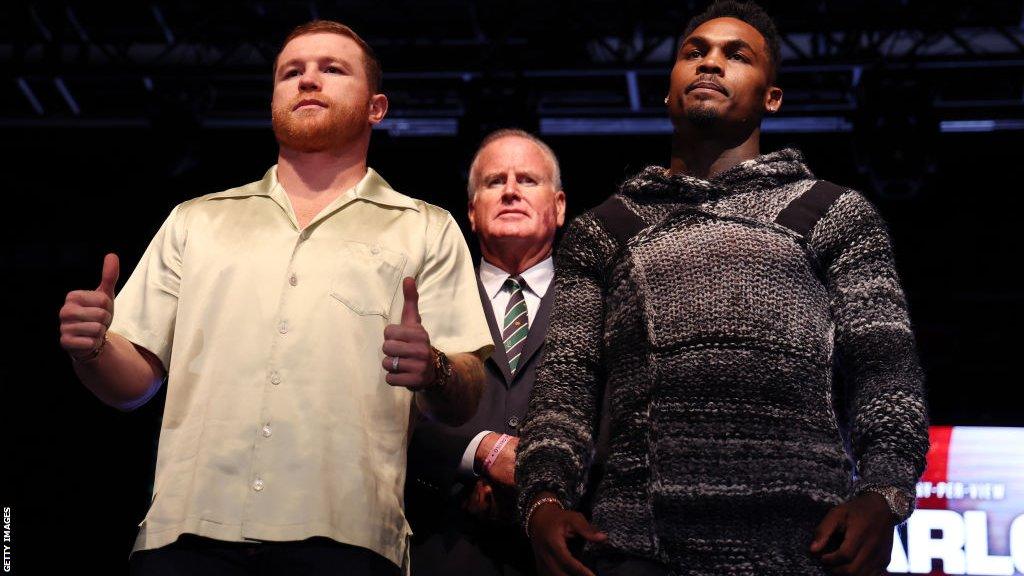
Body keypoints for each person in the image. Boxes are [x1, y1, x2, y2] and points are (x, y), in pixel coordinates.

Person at [57, 20, 492, 576]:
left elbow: (467, 389)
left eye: (332, 69)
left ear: (376, 108)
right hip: (187, 534)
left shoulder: (425, 227)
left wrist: (432, 368)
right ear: (273, 103)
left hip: (346, 538)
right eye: (292, 72)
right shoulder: (197, 220)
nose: (308, 80)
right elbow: (133, 383)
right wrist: (91, 349)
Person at [514, 2, 930, 575]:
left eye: (737, 55)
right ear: (667, 91)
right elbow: (568, 378)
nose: (710, 63)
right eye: (695, 52)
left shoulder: (833, 214)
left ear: (771, 97)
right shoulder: (604, 230)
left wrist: (885, 495)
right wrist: (542, 497)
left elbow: (887, 371)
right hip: (638, 545)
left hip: (802, 544)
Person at [406, 129, 566, 576]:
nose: (511, 191)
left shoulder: (596, 300)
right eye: (495, 182)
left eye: (528, 180)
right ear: (472, 212)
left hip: (563, 549)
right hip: (445, 546)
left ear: (559, 206)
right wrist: (474, 453)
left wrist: (543, 486)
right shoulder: (427, 301)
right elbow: (383, 413)